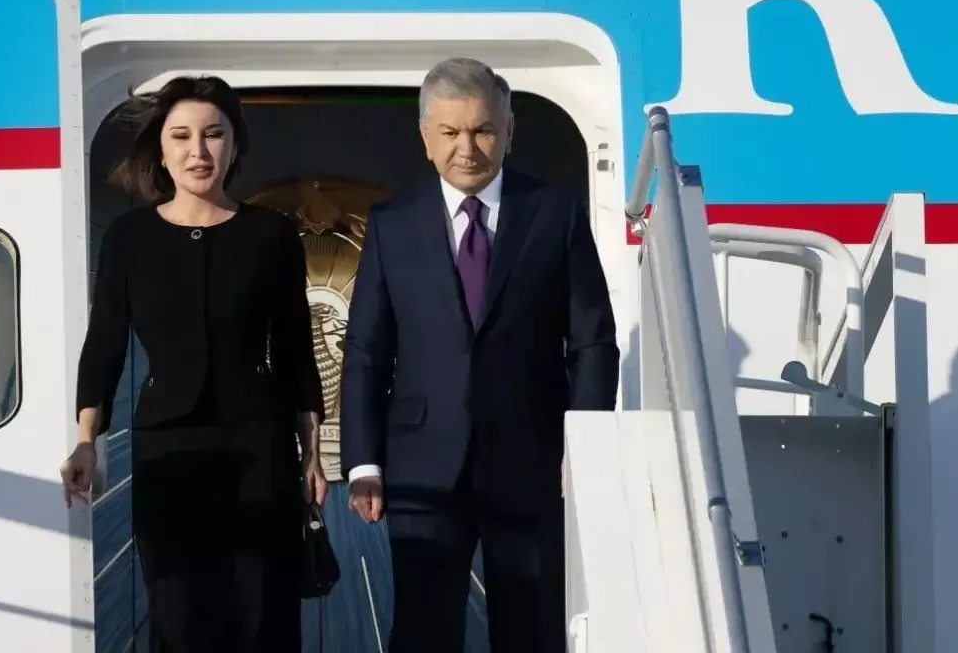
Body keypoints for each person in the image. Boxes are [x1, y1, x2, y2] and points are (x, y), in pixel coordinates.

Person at [339, 58, 620, 652]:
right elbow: (366, 349)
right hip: (422, 468)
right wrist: (363, 461)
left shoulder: (557, 212)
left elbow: (593, 341)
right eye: (450, 132)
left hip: (534, 462)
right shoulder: (392, 224)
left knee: (533, 630)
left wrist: (584, 445)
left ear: (509, 130)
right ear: (425, 137)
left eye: (483, 130)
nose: (467, 147)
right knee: (423, 631)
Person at [59, 75, 329, 653]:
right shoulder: (130, 238)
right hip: (168, 449)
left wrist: (312, 452)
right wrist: (86, 439)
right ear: (161, 146)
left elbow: (294, 347)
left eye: (213, 135)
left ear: (235, 145)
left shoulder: (272, 234)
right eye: (181, 136)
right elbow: (104, 342)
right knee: (178, 613)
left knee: (261, 613)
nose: (198, 151)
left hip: (261, 445)